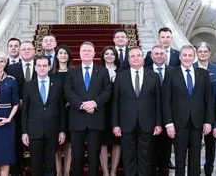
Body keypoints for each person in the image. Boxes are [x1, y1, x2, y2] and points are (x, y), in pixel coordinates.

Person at [162, 45, 214, 176]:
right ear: (180, 57)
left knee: (195, 158)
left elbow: (208, 100)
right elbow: (166, 100)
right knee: (179, 159)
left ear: (194, 57)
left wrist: (208, 121)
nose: (187, 58)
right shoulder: (171, 73)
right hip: (178, 124)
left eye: (190, 55)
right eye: (184, 55)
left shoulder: (203, 74)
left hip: (197, 123)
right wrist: (169, 124)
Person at [112, 47, 162, 176]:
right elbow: (115, 102)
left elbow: (158, 102)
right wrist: (115, 124)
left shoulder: (154, 76)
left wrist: (158, 123)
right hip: (126, 124)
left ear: (143, 59)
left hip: (148, 124)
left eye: (138, 55)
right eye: (132, 56)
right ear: (128, 59)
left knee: (145, 157)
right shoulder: (120, 77)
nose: (135, 58)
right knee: (129, 158)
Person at [64, 41, 111, 176]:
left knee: (94, 156)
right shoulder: (72, 72)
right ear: (79, 53)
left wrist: (94, 103)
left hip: (95, 118)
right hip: (77, 119)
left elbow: (107, 91)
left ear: (94, 53)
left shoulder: (103, 71)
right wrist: (82, 105)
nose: (86, 53)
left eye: (89, 51)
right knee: (77, 156)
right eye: (84, 50)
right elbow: (68, 91)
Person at [22, 55, 67, 176]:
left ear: (49, 67)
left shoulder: (57, 84)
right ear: (35, 67)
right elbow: (25, 111)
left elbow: (61, 109)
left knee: (50, 165)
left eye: (44, 66)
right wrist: (24, 132)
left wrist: (62, 130)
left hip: (52, 130)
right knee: (36, 166)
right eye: (39, 66)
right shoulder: (28, 86)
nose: (42, 68)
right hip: (34, 131)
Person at [6, 40, 36, 175]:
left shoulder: (41, 66)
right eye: (23, 49)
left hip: (37, 112)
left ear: (34, 51)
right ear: (20, 51)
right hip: (17, 112)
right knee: (17, 144)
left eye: (29, 49)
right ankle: (16, 171)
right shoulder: (12, 68)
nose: (26, 51)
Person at [193, 42, 216, 176]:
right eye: (200, 51)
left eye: (205, 51)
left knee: (211, 143)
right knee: (194, 142)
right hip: (194, 111)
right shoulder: (191, 67)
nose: (203, 54)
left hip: (212, 111)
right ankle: (195, 167)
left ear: (209, 54)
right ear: (196, 53)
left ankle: (208, 168)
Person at [145, 44, 172, 176]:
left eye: (162, 54)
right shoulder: (145, 71)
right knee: (150, 151)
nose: (159, 56)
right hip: (149, 117)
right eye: (156, 54)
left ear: (165, 55)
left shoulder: (173, 71)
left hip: (168, 118)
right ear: (151, 56)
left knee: (166, 151)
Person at [51, 45, 73, 176]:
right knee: (57, 144)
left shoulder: (74, 73)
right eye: (60, 53)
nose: (63, 55)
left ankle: (66, 172)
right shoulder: (51, 75)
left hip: (71, 112)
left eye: (65, 53)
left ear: (69, 56)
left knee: (69, 144)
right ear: (57, 55)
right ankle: (58, 172)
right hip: (55, 113)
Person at [99, 46, 122, 176]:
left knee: (117, 142)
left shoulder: (121, 71)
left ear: (115, 56)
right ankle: (105, 172)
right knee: (102, 141)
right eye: (106, 53)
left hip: (117, 110)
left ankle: (113, 171)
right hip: (102, 110)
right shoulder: (98, 71)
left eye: (112, 54)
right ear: (103, 56)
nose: (109, 56)